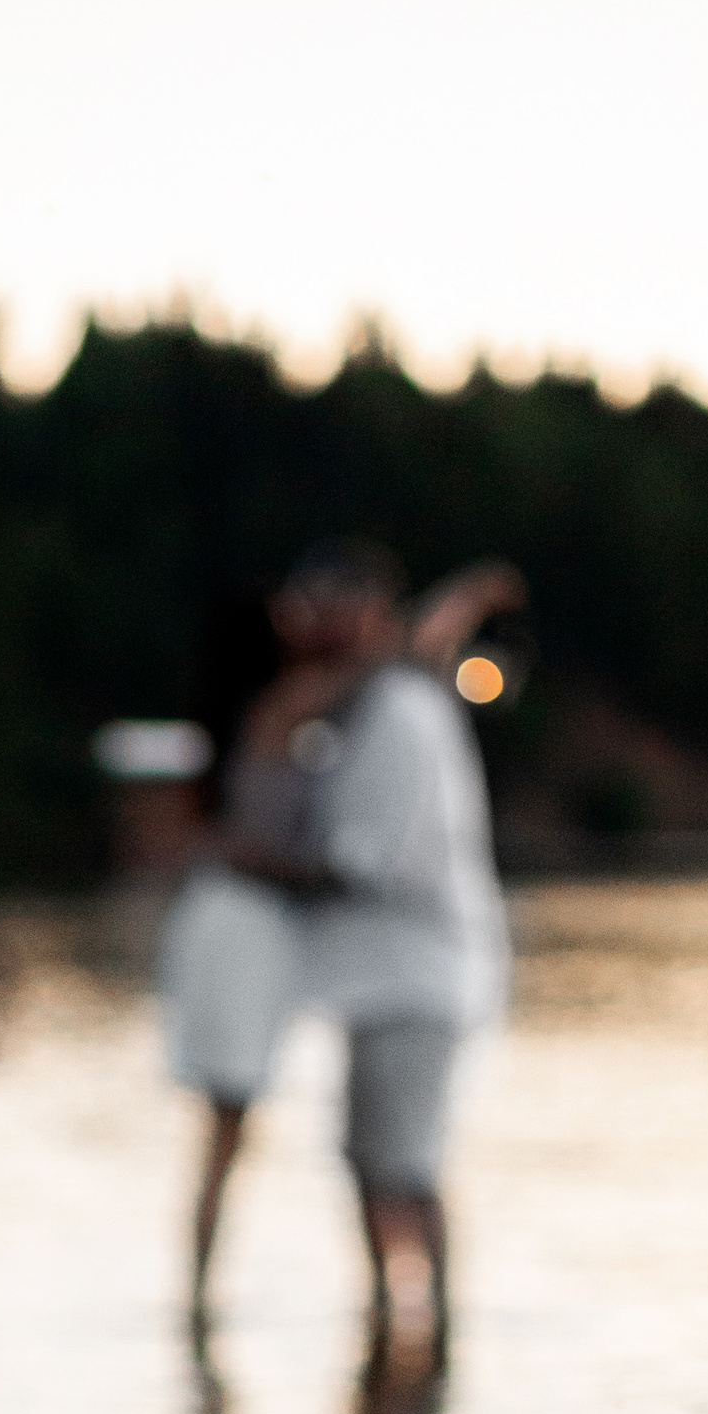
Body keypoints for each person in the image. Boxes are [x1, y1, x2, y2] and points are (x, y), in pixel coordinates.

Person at [175, 541, 520, 1348]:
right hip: (382, 979)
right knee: (374, 1165)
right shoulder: (358, 704)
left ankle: (427, 1337)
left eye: (328, 604)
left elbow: (366, 862)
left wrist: (245, 859)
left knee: (402, 1168)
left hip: (416, 977)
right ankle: (401, 1333)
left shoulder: (395, 712)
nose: (314, 621)